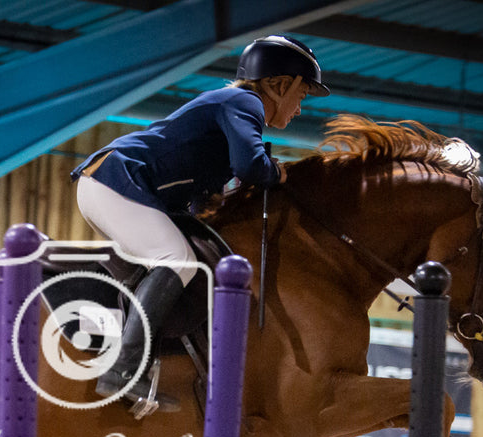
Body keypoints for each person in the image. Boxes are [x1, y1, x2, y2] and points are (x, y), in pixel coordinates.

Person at [71, 35, 328, 413]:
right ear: (280, 84)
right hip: (115, 181)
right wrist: (280, 173)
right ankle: (123, 368)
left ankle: (144, 361)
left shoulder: (232, 112)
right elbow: (251, 166)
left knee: (178, 257)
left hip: (112, 184)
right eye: (301, 95)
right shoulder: (245, 102)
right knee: (176, 260)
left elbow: (203, 199)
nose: (300, 108)